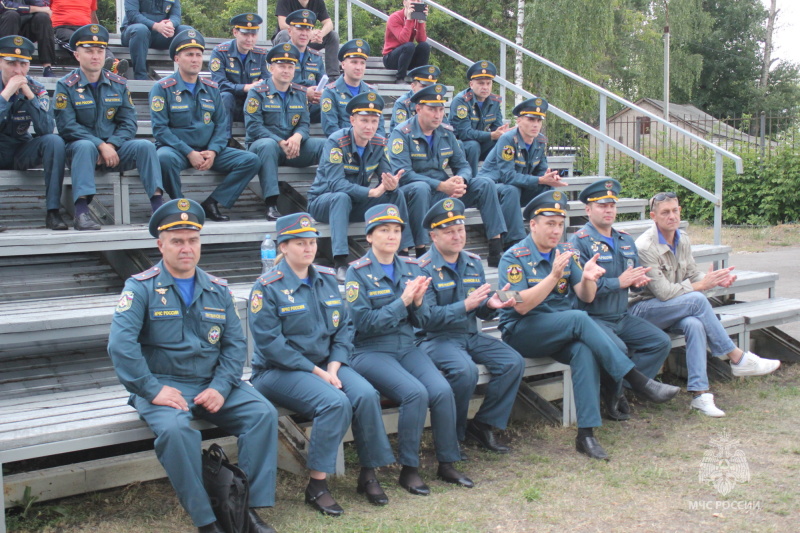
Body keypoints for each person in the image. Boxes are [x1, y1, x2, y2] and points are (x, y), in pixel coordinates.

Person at [107, 199, 278, 533]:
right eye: (177, 241)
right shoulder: (140, 287)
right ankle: (208, 520)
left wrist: (221, 386)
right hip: (163, 384)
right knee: (175, 432)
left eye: (192, 240)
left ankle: (246, 512)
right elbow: (120, 345)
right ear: (161, 244)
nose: (186, 248)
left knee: (262, 414)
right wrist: (151, 390)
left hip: (212, 382)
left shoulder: (217, 289)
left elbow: (234, 345)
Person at [497, 190, 680, 460]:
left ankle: (586, 435)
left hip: (563, 328)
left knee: (583, 351)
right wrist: (553, 276)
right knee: (579, 318)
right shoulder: (513, 258)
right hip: (523, 331)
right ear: (533, 225)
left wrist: (588, 279)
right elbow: (520, 305)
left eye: (560, 225)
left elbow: (586, 297)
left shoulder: (564, 253)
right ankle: (636, 379)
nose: (556, 231)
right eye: (550, 224)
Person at [248, 212, 396, 516]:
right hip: (278, 371)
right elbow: (271, 345)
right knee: (335, 403)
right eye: (299, 243)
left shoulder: (327, 279)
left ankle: (368, 473)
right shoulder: (267, 286)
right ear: (283, 247)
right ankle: (317, 486)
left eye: (312, 242)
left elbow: (345, 327)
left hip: (326, 365)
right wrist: (318, 372)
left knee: (366, 394)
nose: (308, 248)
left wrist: (333, 366)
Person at [346, 204, 474, 494]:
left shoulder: (412, 268)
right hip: (369, 350)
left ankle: (447, 461)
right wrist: (402, 301)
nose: (392, 236)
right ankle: (410, 469)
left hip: (406, 345)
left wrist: (416, 304)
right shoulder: (358, 272)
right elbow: (364, 323)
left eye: (396, 230)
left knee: (441, 390)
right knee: (415, 393)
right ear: (369, 236)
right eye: (384, 230)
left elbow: (424, 320)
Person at [629, 192, 781, 417]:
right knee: (697, 300)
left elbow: (692, 274)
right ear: (653, 216)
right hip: (643, 311)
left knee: (694, 324)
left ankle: (700, 394)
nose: (672, 216)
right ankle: (737, 357)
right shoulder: (645, 246)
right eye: (665, 212)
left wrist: (715, 280)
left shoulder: (682, 238)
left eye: (675, 210)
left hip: (675, 306)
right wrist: (701, 286)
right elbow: (663, 293)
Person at [417, 198, 525, 453]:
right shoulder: (421, 268)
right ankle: (451, 436)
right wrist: (465, 306)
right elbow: (426, 318)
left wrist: (492, 305)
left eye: (461, 230)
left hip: (468, 334)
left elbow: (481, 310)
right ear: (433, 236)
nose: (457, 236)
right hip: (434, 338)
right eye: (449, 231)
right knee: (466, 371)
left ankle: (483, 424)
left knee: (513, 362)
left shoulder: (473, 262)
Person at [568, 179, 673, 421]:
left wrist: (637, 280)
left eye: (612, 206)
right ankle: (613, 395)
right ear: (588, 210)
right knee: (620, 349)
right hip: (593, 317)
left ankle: (621, 388)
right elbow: (580, 287)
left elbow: (631, 273)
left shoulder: (625, 240)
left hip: (621, 315)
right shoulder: (579, 242)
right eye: (602, 205)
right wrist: (620, 282)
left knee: (659, 342)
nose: (608, 210)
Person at [55, 24, 164, 231]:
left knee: (146, 147)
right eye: (89, 51)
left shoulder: (118, 84)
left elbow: (128, 122)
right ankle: (81, 213)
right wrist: (99, 145)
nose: (95, 56)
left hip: (114, 151)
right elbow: (66, 126)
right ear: (77, 55)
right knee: (85, 146)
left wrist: (112, 144)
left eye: (100, 51)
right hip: (79, 153)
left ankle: (158, 208)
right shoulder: (66, 85)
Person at [150, 29, 261, 222]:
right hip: (178, 151)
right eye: (189, 54)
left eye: (198, 55)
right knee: (163, 158)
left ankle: (212, 203)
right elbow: (160, 130)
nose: (195, 59)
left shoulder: (211, 89)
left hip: (208, 151)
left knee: (251, 160)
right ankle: (179, 205)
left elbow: (220, 125)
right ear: (177, 58)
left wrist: (214, 151)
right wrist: (188, 152)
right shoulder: (162, 88)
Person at [390, 83, 507, 265]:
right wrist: (440, 185)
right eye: (432, 109)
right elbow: (403, 174)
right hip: (414, 194)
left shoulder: (446, 132)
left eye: (440, 109)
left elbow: (463, 165)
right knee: (421, 188)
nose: (438, 115)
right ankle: (422, 251)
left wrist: (461, 180)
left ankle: (495, 248)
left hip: (443, 190)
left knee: (485, 184)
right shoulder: (401, 133)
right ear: (418, 109)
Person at [308, 91, 413, 282]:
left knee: (396, 194)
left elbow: (386, 175)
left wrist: (391, 184)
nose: (369, 126)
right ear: (353, 120)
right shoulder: (336, 142)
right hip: (324, 201)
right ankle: (340, 261)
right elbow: (335, 184)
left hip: (356, 202)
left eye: (374, 121)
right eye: (364, 120)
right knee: (341, 196)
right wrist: (371, 191)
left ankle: (403, 252)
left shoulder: (379, 143)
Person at [245, 42, 325, 221]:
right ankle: (272, 203)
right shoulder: (257, 92)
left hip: (292, 147)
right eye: (281, 66)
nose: (286, 70)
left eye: (290, 66)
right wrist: (279, 141)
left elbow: (304, 124)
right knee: (268, 145)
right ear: (271, 68)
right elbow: (254, 127)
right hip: (263, 147)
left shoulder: (299, 93)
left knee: (327, 145)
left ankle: (323, 195)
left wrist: (297, 137)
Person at [479, 97, 566, 248]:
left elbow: (541, 171)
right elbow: (507, 176)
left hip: (518, 188)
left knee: (547, 190)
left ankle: (546, 234)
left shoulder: (540, 141)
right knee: (511, 190)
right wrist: (540, 180)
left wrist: (550, 178)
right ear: (519, 121)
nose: (535, 125)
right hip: (493, 188)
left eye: (539, 121)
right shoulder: (508, 140)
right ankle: (515, 243)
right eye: (531, 119)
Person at [0, 35, 66, 231]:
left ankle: (53, 212)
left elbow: (45, 129)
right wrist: (5, 95)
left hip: (20, 149)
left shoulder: (36, 89)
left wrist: (29, 97)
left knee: (54, 141)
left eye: (23, 64)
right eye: (11, 63)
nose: (18, 70)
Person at [209, 13, 268, 138]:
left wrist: (257, 89)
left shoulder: (261, 54)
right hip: (230, 105)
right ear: (235, 32)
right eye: (245, 34)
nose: (250, 39)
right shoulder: (220, 52)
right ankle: (224, 142)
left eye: (253, 34)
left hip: (252, 103)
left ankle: (260, 142)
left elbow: (268, 82)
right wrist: (245, 87)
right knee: (225, 96)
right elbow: (219, 84)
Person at [449, 61, 509, 176]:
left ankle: (496, 178)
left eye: (488, 83)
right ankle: (471, 180)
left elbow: (497, 128)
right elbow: (464, 133)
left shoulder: (495, 101)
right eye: (481, 83)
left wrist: (504, 133)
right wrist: (491, 135)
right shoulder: (461, 101)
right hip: (460, 145)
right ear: (471, 84)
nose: (485, 87)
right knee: (473, 145)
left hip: (480, 143)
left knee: (503, 143)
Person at [320, 39, 384, 138]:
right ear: (343, 64)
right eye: (354, 62)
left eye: (362, 63)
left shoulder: (371, 93)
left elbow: (379, 129)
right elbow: (331, 129)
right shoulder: (330, 92)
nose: (358, 67)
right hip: (342, 148)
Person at [51, 0, 128, 76]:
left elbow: (92, 14)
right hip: (61, 27)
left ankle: (114, 64)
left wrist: (99, 33)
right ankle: (101, 67)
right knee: (81, 44)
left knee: (99, 42)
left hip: (85, 28)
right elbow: (45, 10)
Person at [120, 0, 192, 80]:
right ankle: (141, 77)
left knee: (187, 31)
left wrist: (170, 24)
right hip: (135, 33)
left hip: (161, 34)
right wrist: (155, 26)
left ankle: (187, 77)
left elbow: (176, 16)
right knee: (140, 30)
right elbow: (133, 15)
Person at [272, 0, 339, 80]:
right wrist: (305, 32)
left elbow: (329, 23)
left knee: (333, 36)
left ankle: (333, 77)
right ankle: (283, 67)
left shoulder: (318, 2)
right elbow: (282, 25)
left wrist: (320, 34)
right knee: (285, 33)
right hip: (287, 39)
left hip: (307, 38)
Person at [281, 9, 324, 123]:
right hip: (286, 105)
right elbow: (275, 85)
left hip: (310, 107)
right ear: (289, 31)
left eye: (308, 29)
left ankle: (338, 139)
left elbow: (323, 84)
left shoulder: (316, 57)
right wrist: (305, 92)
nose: (304, 33)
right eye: (300, 29)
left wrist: (321, 93)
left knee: (335, 104)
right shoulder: (279, 55)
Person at [0, 0, 55, 77]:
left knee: (43, 17)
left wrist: (35, 8)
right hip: (6, 25)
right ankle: (3, 63)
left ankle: (47, 66)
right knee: (11, 14)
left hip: (26, 28)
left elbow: (41, 5)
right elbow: (4, 5)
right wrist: (31, 8)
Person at [382, 0, 430, 84]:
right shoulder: (395, 17)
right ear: (404, 2)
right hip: (391, 58)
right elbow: (403, 40)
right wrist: (409, 19)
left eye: (418, 0)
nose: (415, 2)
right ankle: (400, 78)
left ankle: (418, 79)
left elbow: (421, 40)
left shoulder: (417, 18)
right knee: (409, 46)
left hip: (407, 58)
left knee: (424, 46)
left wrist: (421, 22)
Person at [389, 64, 439, 131]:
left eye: (430, 87)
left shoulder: (436, 103)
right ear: (413, 86)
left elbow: (443, 128)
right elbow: (402, 131)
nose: (427, 90)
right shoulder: (402, 103)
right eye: (423, 86)